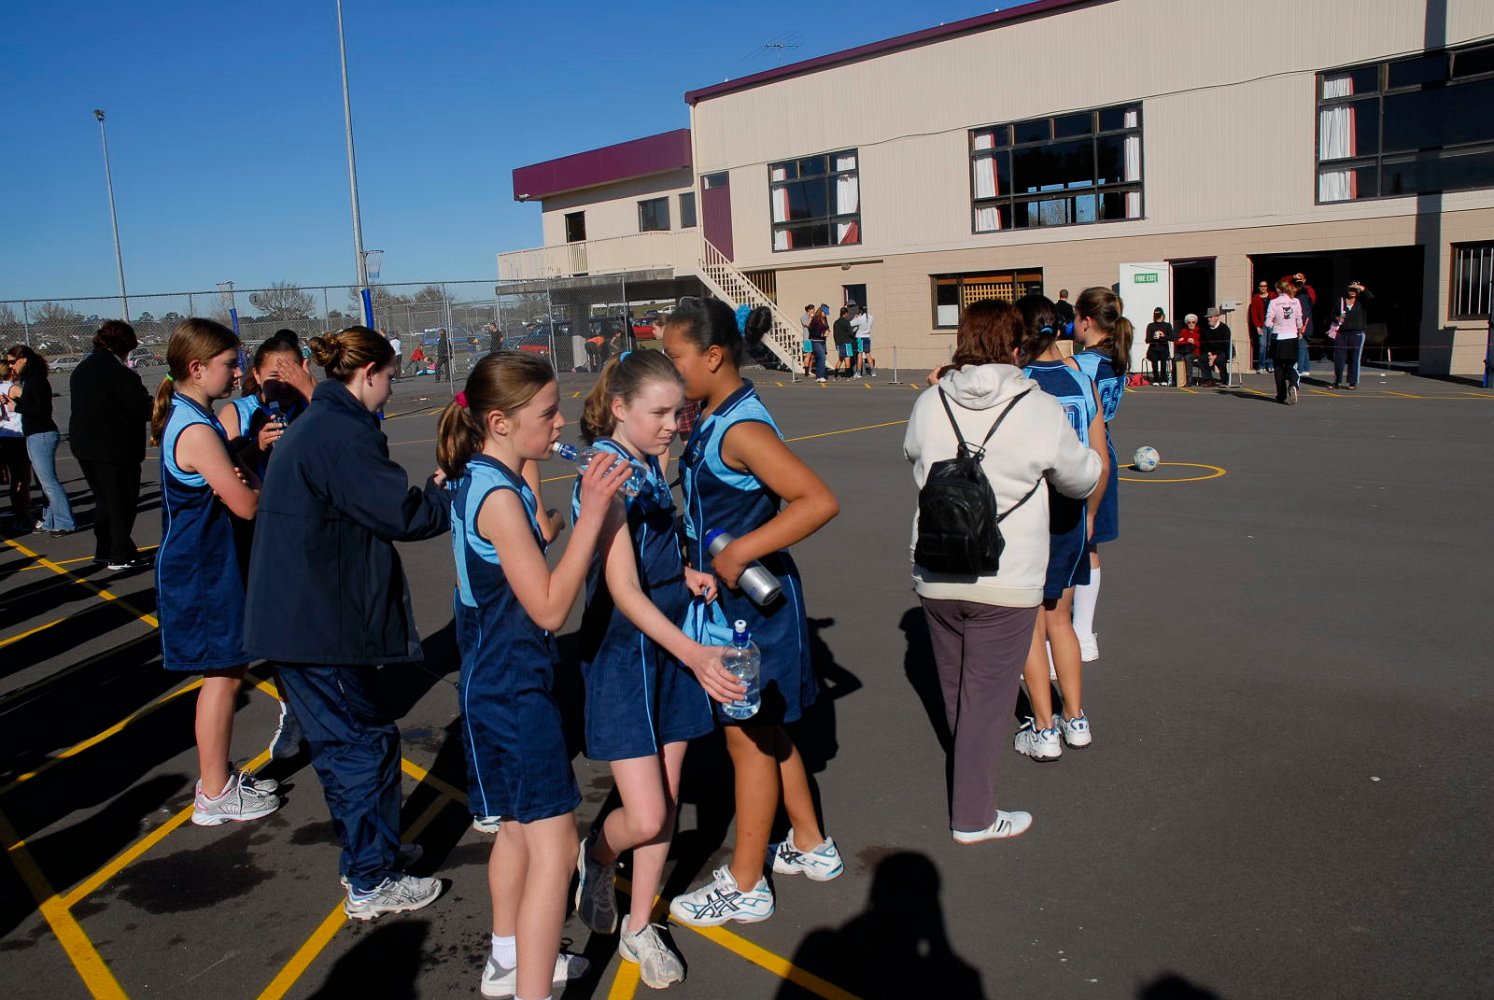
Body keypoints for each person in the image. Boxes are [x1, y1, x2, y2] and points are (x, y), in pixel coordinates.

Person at [438, 352, 631, 999]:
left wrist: (548, 520)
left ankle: (507, 960)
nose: (560, 423)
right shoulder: (497, 496)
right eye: (547, 413)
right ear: (499, 421)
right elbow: (549, 608)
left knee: (518, 834)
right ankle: (531, 990)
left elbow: (521, 539)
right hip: (513, 690)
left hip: (493, 681)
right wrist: (592, 515)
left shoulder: (481, 473)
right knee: (555, 849)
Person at [243, 326, 450, 920]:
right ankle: (371, 878)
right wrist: (443, 494)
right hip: (317, 624)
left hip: (302, 617)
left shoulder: (325, 422)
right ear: (368, 374)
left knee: (344, 746)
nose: (393, 387)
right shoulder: (341, 434)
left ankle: (369, 853)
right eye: (390, 378)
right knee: (363, 746)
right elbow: (401, 514)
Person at [662, 298, 843, 927]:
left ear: (713, 356)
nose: (669, 367)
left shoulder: (741, 429)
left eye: (675, 357)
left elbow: (817, 500)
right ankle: (811, 842)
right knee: (765, 730)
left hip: (753, 611)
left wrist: (740, 551)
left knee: (748, 743)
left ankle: (745, 884)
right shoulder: (713, 414)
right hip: (732, 604)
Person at [570, 351, 745, 988]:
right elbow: (622, 588)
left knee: (667, 803)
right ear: (620, 408)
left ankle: (639, 925)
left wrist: (683, 573)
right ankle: (597, 854)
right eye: (661, 413)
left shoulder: (644, 459)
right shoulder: (607, 474)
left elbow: (652, 557)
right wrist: (695, 654)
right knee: (644, 816)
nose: (674, 424)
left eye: (679, 412)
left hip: (666, 647)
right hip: (627, 655)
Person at [905, 299, 1100, 841]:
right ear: (1017, 348)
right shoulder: (1037, 405)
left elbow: (913, 457)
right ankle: (974, 816)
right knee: (989, 700)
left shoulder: (930, 401)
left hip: (936, 566)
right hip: (1007, 574)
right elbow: (1080, 478)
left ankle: (968, 777)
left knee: (956, 690)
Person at [149, 318, 282, 826]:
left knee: (227, 672)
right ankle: (213, 793)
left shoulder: (192, 415)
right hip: (201, 569)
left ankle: (217, 779)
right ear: (197, 367)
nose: (237, 372)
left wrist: (247, 458)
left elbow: (229, 476)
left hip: (206, 563)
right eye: (229, 364)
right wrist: (264, 484)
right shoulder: (197, 428)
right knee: (223, 677)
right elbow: (244, 504)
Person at [1013, 297, 1108, 762]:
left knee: (1030, 622)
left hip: (1031, 516)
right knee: (1061, 619)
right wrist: (1090, 515)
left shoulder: (1020, 384)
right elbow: (1100, 459)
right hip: (1072, 513)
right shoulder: (1081, 380)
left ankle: (1044, 726)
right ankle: (1076, 718)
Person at [220, 329, 315, 761]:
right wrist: (255, 445)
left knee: (318, 622)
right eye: (272, 374)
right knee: (279, 631)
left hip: (310, 529)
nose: (280, 382)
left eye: (289, 372)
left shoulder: (313, 406)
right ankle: (291, 710)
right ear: (256, 375)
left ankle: (328, 702)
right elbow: (223, 471)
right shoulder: (238, 412)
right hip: (261, 534)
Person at [1069, 288, 1133, 663]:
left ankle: (1060, 632)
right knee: (1091, 547)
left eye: (1076, 317)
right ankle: (1084, 633)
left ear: (1087, 321)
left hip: (1080, 450)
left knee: (1064, 544)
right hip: (1104, 446)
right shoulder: (1117, 358)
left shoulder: (1082, 365)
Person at [67, 321, 153, 569]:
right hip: (115, 449)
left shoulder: (82, 369)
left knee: (105, 501)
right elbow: (141, 409)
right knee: (121, 502)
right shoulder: (120, 374)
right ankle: (120, 554)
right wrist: (156, 402)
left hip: (85, 446)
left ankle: (105, 549)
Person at [4, 345, 75, 536]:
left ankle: (64, 521)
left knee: (48, 481)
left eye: (12, 361)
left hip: (42, 434)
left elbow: (43, 410)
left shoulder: (37, 381)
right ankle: (51, 520)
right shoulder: (29, 380)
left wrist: (17, 408)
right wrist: (16, 404)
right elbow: (32, 405)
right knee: (43, 482)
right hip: (34, 434)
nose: (10, 366)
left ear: (24, 359)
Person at [0, 358, 32, 531]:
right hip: (16, 437)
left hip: (4, 436)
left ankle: (19, 515)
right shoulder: (13, 388)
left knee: (16, 480)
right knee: (23, 480)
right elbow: (33, 401)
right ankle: (24, 517)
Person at [1265, 278, 1306, 404]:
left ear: (1278, 289)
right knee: (1291, 364)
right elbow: (1299, 320)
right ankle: (1293, 384)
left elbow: (1267, 322)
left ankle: (1281, 395)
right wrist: (1299, 331)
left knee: (1278, 367)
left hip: (1278, 337)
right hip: (1291, 336)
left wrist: (1274, 324)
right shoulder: (1295, 301)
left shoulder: (1273, 302)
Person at [1331, 281, 1373, 390]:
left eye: (1355, 290)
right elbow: (1332, 314)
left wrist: (1360, 287)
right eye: (1351, 289)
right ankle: (1337, 381)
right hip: (1341, 333)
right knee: (1339, 357)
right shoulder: (1340, 301)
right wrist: (1337, 318)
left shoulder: (1362, 302)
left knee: (1355, 357)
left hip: (1356, 332)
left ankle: (1352, 382)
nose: (1353, 291)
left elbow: (1371, 297)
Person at [1200, 309, 1232, 386]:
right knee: (1202, 358)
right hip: (1211, 351)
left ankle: (1225, 379)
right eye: (1208, 317)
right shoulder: (1205, 329)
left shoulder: (1224, 328)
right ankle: (1208, 379)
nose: (1209, 319)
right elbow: (1204, 343)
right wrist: (1209, 354)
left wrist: (1215, 356)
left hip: (1223, 351)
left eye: (1210, 317)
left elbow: (1225, 345)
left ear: (1216, 317)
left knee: (1220, 360)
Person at [1144, 308, 1174, 385]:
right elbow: (1147, 340)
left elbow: (1172, 338)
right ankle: (1156, 379)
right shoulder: (1151, 326)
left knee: (1163, 357)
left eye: (1159, 316)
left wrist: (1163, 336)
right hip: (1153, 348)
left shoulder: (1167, 325)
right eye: (1156, 316)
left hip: (1164, 348)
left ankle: (1164, 378)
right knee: (1154, 357)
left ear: (1163, 316)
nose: (1158, 318)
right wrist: (1153, 337)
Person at [1249, 280, 1273, 374]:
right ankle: (1261, 366)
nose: (1263, 287)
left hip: (1272, 323)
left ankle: (1270, 365)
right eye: (1261, 286)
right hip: (1261, 324)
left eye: (1265, 286)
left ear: (1267, 287)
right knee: (1262, 345)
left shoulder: (1272, 296)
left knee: (1271, 345)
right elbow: (1254, 314)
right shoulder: (1256, 299)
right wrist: (1257, 327)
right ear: (1258, 287)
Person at [1174, 314, 1202, 386]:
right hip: (1184, 351)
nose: (1191, 324)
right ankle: (1176, 379)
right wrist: (1183, 341)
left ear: (1195, 323)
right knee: (1176, 357)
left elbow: (1202, 344)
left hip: (1195, 353)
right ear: (1187, 323)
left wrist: (1194, 342)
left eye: (1193, 322)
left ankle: (1189, 380)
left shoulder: (1199, 331)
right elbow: (1177, 343)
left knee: (1188, 357)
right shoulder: (1183, 331)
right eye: (1189, 322)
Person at [851, 305, 877, 377]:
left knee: (859, 354)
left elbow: (850, 324)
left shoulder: (859, 318)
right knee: (868, 354)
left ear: (860, 310)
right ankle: (873, 371)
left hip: (860, 337)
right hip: (867, 336)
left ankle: (858, 372)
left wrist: (855, 317)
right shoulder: (871, 317)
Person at [807, 304, 829, 382]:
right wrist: (821, 334)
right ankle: (821, 376)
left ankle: (818, 376)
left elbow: (826, 327)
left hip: (822, 341)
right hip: (816, 341)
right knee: (822, 357)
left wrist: (827, 331)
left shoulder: (824, 319)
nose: (825, 314)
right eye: (825, 313)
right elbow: (811, 330)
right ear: (821, 311)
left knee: (820, 358)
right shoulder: (815, 319)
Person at [832, 306, 856, 378]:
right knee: (847, 359)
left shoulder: (836, 322)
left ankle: (835, 375)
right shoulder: (846, 322)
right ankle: (848, 376)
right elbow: (851, 333)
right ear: (845, 313)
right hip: (847, 342)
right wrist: (853, 336)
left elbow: (834, 334)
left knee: (840, 359)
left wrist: (836, 343)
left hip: (839, 343)